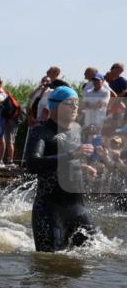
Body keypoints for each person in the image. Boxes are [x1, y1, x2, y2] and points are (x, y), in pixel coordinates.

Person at [25, 86, 100, 252]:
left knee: (90, 259)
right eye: (69, 103)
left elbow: (63, 161)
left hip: (78, 209)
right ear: (55, 105)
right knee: (49, 263)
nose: (75, 107)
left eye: (77, 103)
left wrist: (81, 166)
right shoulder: (41, 131)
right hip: (50, 211)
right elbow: (32, 164)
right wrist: (73, 155)